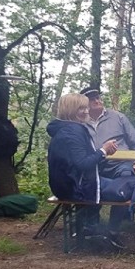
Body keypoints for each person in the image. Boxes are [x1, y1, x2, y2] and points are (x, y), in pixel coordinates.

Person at [47, 93, 119, 232]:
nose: (86, 111)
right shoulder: (73, 131)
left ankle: (90, 226)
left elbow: (77, 161)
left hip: (64, 184)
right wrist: (103, 150)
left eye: (86, 107)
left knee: (124, 184)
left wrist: (103, 153)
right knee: (126, 188)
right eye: (81, 108)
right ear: (70, 111)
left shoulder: (65, 129)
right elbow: (82, 164)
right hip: (74, 188)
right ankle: (100, 230)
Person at [80, 86, 135, 230]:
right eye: (92, 98)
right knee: (89, 182)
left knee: (126, 178)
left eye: (98, 97)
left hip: (120, 164)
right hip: (95, 164)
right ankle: (92, 224)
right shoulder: (81, 122)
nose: (97, 100)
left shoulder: (118, 117)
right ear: (84, 103)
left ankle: (114, 227)